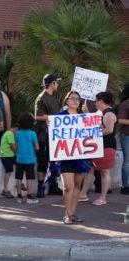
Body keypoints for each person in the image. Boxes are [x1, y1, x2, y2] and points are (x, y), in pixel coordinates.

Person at [55, 91, 89, 224]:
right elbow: (53, 134)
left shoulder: (83, 116)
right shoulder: (60, 116)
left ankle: (72, 213)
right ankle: (68, 214)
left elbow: (92, 132)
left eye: (77, 99)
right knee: (67, 186)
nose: (75, 101)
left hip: (81, 156)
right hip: (65, 155)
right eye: (72, 98)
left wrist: (88, 114)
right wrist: (49, 127)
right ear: (66, 100)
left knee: (76, 186)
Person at [80, 92, 117, 205]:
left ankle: (102, 198)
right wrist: (86, 112)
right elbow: (95, 122)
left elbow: (109, 130)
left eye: (96, 101)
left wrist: (94, 133)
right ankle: (83, 195)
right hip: (99, 146)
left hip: (106, 146)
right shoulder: (102, 112)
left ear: (101, 101)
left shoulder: (109, 114)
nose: (95, 103)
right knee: (90, 170)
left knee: (104, 172)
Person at [34, 74, 63, 197]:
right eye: (56, 82)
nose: (58, 84)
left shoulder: (53, 98)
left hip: (53, 135)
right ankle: (40, 188)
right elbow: (37, 116)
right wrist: (50, 117)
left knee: (54, 161)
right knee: (42, 162)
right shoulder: (41, 98)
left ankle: (53, 186)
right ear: (52, 84)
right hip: (42, 136)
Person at [14, 112, 40, 204]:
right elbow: (37, 147)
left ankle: (19, 197)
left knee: (19, 178)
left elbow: (15, 147)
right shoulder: (32, 133)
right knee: (29, 178)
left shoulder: (17, 133)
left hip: (19, 159)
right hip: (30, 159)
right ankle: (29, 196)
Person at [0, 122, 17, 199]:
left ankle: (19, 183)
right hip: (7, 155)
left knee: (20, 165)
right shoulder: (10, 134)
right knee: (8, 171)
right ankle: (5, 189)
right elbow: (13, 146)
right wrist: (17, 151)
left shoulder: (7, 133)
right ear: (15, 128)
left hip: (8, 155)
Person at [117, 83, 129, 195]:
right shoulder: (125, 104)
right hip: (127, 136)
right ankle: (125, 186)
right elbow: (120, 120)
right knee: (127, 162)